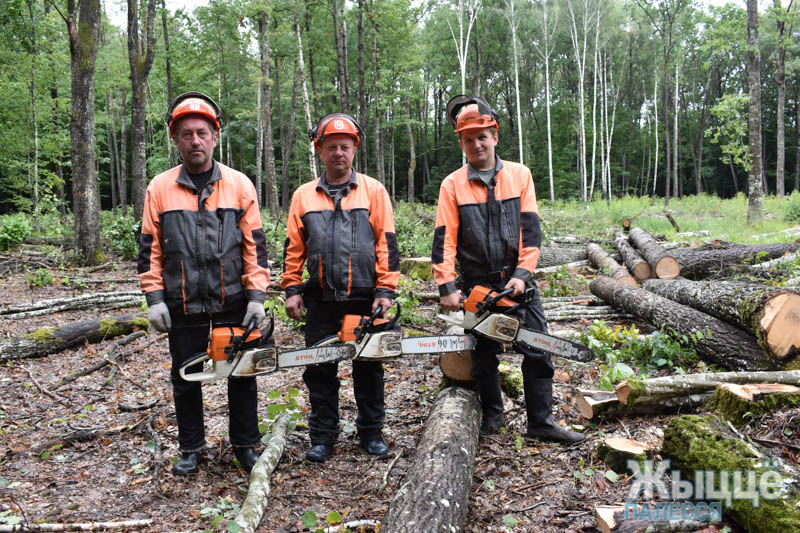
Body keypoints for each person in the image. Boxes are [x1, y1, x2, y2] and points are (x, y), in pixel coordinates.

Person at [432, 95, 585, 444]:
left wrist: (522, 274)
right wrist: (447, 287)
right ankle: (492, 417)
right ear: (461, 142)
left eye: (482, 136)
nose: (477, 144)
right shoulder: (452, 185)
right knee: (483, 357)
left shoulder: (519, 175)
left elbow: (530, 233)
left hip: (515, 283)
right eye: (469, 138)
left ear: (495, 136)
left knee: (538, 350)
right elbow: (444, 240)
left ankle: (541, 422)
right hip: (476, 286)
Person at [138, 91, 271, 475]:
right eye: (186, 134)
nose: (194, 141)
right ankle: (191, 447)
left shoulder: (239, 185)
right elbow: (150, 249)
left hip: (232, 297)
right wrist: (154, 298)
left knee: (241, 373)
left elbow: (255, 248)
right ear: (176, 139)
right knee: (185, 374)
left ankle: (246, 444)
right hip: (182, 299)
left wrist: (257, 296)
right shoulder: (159, 188)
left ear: (214, 136)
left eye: (201, 133)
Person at [282, 113, 400, 463]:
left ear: (354, 150)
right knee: (319, 370)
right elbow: (293, 247)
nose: (338, 153)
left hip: (365, 296)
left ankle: (371, 433)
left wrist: (385, 290)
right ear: (319, 150)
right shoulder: (304, 195)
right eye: (331, 147)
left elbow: (386, 244)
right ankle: (322, 436)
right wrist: (290, 288)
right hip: (320, 297)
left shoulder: (373, 190)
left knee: (368, 367)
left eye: (344, 147)